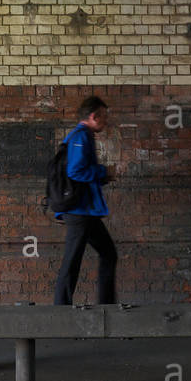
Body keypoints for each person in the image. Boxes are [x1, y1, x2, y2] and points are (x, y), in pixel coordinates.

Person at [54, 95, 118, 305]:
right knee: (72, 261)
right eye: (104, 117)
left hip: (86, 211)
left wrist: (103, 176)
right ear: (93, 116)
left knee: (108, 253)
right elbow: (75, 171)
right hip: (79, 212)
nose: (106, 121)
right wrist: (103, 171)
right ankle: (60, 312)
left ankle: (106, 306)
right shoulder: (81, 136)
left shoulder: (82, 135)